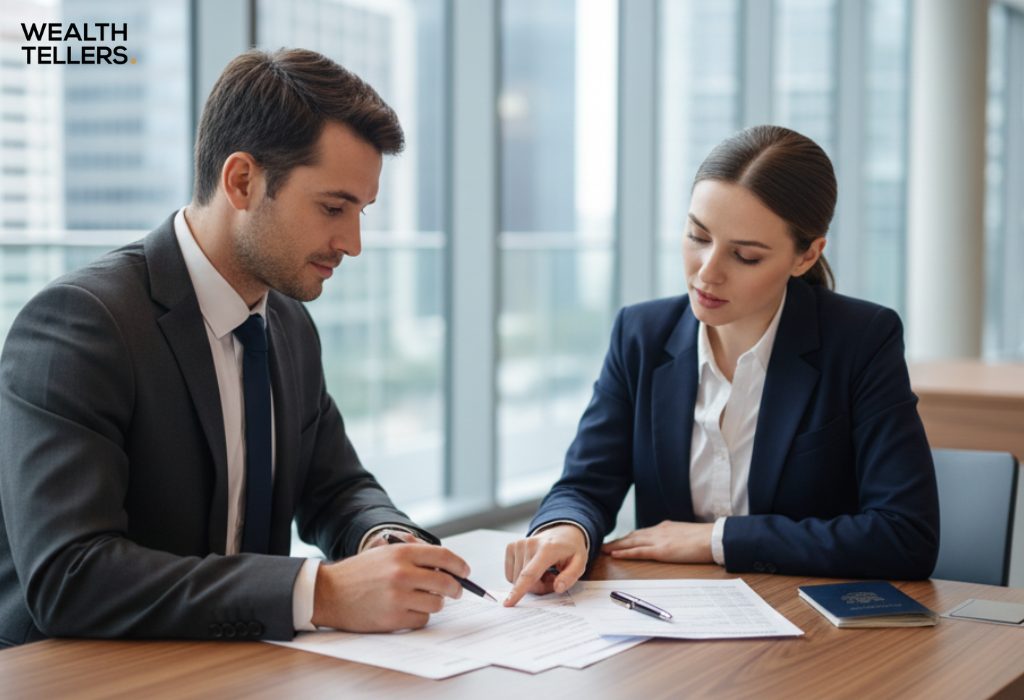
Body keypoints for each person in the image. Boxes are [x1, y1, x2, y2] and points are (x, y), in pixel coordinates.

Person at [0, 48, 470, 647]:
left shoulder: (289, 323)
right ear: (242, 181)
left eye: (362, 212)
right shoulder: (82, 325)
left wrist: (382, 538)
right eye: (334, 207)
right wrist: (320, 593)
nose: (352, 243)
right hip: (88, 677)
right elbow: (70, 575)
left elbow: (336, 487)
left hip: (238, 668)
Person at [503, 125, 940, 607]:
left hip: (807, 630)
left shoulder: (860, 340)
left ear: (807, 255)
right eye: (697, 236)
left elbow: (905, 536)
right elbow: (586, 483)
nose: (708, 271)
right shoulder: (642, 334)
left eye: (746, 255)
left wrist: (717, 540)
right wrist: (566, 531)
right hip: (672, 624)